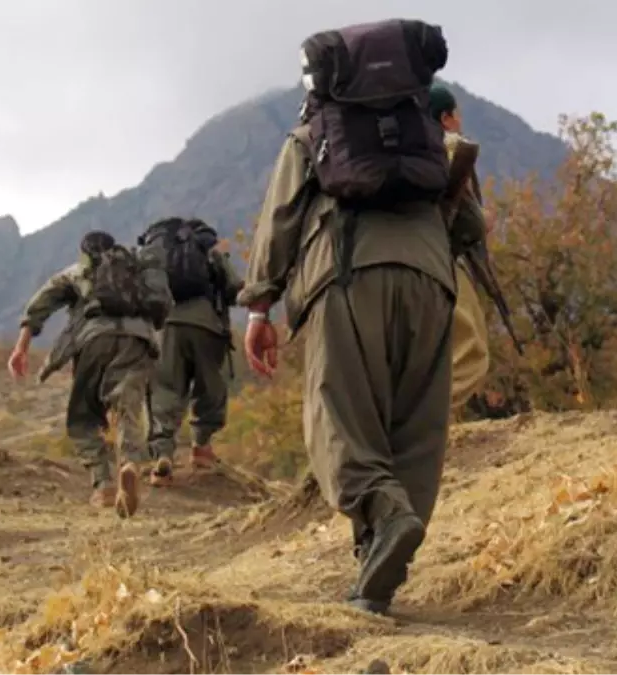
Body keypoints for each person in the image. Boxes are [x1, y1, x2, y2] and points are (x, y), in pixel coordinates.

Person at [239, 19, 466, 616]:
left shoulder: (314, 130)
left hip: (346, 274)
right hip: (431, 281)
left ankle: (384, 519)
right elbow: (469, 223)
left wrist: (260, 305)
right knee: (414, 425)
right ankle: (377, 571)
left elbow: (280, 217)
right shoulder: (425, 129)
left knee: (338, 415)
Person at [7, 230, 172, 518]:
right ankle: (130, 462)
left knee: (83, 417)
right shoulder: (135, 270)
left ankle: (103, 483)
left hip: (95, 340)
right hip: (139, 339)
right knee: (127, 406)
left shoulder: (79, 271)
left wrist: (21, 348)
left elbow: (40, 306)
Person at [139, 218, 243, 485]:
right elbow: (233, 288)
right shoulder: (210, 252)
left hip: (166, 328)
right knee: (210, 386)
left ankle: (162, 456)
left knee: (164, 389)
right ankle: (202, 448)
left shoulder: (160, 255)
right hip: (207, 326)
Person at [429, 83, 492, 411]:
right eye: (456, 114)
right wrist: (483, 220)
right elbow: (470, 225)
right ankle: (418, 429)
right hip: (438, 262)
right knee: (471, 355)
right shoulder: (450, 148)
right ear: (445, 118)